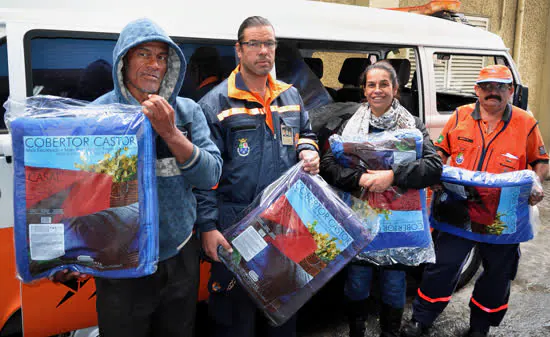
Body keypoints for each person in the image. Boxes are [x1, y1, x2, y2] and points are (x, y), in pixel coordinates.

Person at [51, 18, 223, 337]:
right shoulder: (98, 116)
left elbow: (210, 174)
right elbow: (71, 191)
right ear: (123, 59)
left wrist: (170, 132)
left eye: (161, 57)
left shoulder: (187, 112)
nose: (154, 64)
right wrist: (64, 253)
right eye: (143, 54)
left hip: (178, 253)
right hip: (119, 263)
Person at [401, 65, 549, 337]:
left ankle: (480, 327)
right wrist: (435, 172)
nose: (494, 92)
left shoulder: (526, 122)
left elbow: (540, 161)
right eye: (487, 86)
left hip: (503, 215)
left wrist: (537, 183)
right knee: (441, 267)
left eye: (501, 86)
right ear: (477, 90)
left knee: (497, 275)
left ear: (511, 91)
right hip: (458, 210)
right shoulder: (460, 116)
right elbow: (440, 152)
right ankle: (422, 318)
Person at [196, 15, 320, 337]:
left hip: (285, 225)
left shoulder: (290, 96)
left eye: (270, 44)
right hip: (236, 227)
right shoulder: (215, 104)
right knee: (235, 322)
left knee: (283, 316)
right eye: (255, 44)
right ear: (239, 50)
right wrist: (208, 226)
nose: (264, 50)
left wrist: (310, 150)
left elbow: (306, 132)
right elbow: (204, 175)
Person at [319, 61, 442, 337]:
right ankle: (357, 330)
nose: (377, 90)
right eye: (371, 85)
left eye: (384, 84)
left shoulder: (413, 126)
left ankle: (390, 332)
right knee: (357, 282)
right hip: (360, 220)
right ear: (364, 90)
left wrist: (393, 176)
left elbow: (433, 167)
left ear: (395, 89)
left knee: (394, 284)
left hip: (399, 224)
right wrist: (359, 179)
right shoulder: (350, 124)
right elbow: (328, 164)